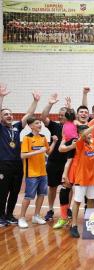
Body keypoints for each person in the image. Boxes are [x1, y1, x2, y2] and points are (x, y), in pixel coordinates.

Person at [0, 88, 39, 227]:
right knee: (2, 191)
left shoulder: (16, 127)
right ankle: (1, 216)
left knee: (15, 191)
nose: (9, 116)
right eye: (5, 114)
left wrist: (35, 101)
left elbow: (28, 115)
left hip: (17, 164)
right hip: (3, 164)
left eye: (10, 114)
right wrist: (1, 98)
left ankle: (10, 214)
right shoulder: (1, 128)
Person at [70, 118, 94, 238]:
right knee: (77, 202)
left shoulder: (92, 142)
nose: (89, 134)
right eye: (87, 133)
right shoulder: (79, 142)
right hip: (81, 179)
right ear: (82, 134)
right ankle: (74, 226)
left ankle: (89, 223)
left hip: (91, 179)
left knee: (91, 200)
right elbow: (85, 134)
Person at [19, 116, 58, 228]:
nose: (40, 125)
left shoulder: (43, 137)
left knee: (41, 195)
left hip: (42, 172)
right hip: (31, 173)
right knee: (29, 196)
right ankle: (22, 217)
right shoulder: (27, 138)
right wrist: (38, 152)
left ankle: (36, 216)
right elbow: (23, 155)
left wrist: (54, 142)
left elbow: (48, 152)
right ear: (31, 126)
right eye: (37, 123)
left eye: (40, 123)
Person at [40, 93, 69, 221]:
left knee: (68, 186)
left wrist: (70, 108)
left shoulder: (72, 126)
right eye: (60, 115)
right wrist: (50, 103)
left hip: (68, 161)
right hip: (54, 161)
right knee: (52, 186)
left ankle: (66, 209)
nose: (61, 117)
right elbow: (43, 116)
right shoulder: (54, 126)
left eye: (64, 115)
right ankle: (50, 209)